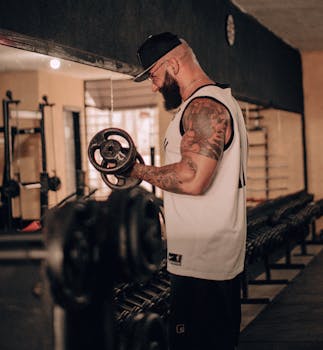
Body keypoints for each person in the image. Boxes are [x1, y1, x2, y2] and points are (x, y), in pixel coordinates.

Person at [130, 32, 248, 350]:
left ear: (172, 64)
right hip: (211, 261)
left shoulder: (204, 107)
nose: (154, 86)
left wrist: (136, 171)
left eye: (154, 75)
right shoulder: (220, 102)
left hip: (203, 265)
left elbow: (193, 179)